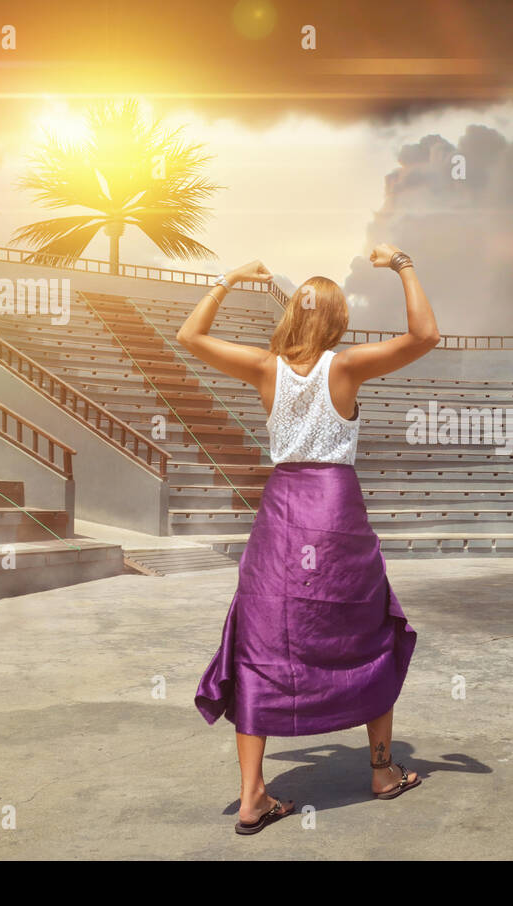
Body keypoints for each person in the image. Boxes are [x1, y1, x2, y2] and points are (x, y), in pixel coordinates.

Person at [176, 244, 439, 835]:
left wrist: (228, 278)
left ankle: (251, 798)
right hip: (335, 512)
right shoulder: (344, 367)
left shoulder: (263, 368)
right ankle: (381, 772)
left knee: (262, 642)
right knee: (368, 631)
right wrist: (402, 263)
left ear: (292, 316)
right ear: (337, 320)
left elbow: (189, 337)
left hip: (281, 514)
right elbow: (425, 335)